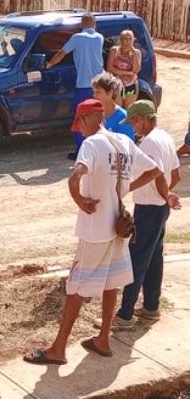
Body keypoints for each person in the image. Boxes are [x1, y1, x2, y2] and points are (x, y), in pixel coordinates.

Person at [23, 99, 161, 365]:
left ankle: (58, 349)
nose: (80, 130)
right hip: (119, 227)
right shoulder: (124, 141)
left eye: (79, 125)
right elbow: (156, 169)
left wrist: (79, 199)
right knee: (111, 284)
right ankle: (103, 340)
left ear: (86, 119)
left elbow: (74, 176)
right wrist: (124, 190)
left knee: (75, 288)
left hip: (95, 229)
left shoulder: (91, 144)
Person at [101, 100, 181, 328]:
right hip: (160, 208)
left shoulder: (148, 143)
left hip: (148, 208)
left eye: (134, 124)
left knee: (136, 259)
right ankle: (151, 307)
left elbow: (157, 175)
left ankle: (125, 315)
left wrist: (130, 189)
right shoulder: (165, 137)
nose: (133, 129)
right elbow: (175, 175)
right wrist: (168, 195)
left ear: (142, 120)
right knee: (154, 257)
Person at [46, 13, 104, 159]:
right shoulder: (99, 38)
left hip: (83, 85)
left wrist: (50, 64)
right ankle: (98, 150)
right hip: (99, 86)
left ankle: (81, 152)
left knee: (81, 119)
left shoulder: (76, 38)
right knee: (98, 118)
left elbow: (61, 53)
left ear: (81, 24)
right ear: (94, 24)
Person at [92, 72, 135, 142]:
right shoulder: (94, 115)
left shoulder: (123, 117)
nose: (94, 95)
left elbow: (128, 146)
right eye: (94, 92)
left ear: (110, 93)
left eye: (98, 92)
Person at [106, 30, 141, 108]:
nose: (127, 41)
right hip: (117, 84)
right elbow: (109, 68)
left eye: (130, 39)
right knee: (118, 108)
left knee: (128, 109)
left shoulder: (137, 52)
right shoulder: (114, 51)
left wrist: (134, 53)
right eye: (125, 39)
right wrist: (127, 73)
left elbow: (136, 70)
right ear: (121, 40)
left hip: (131, 84)